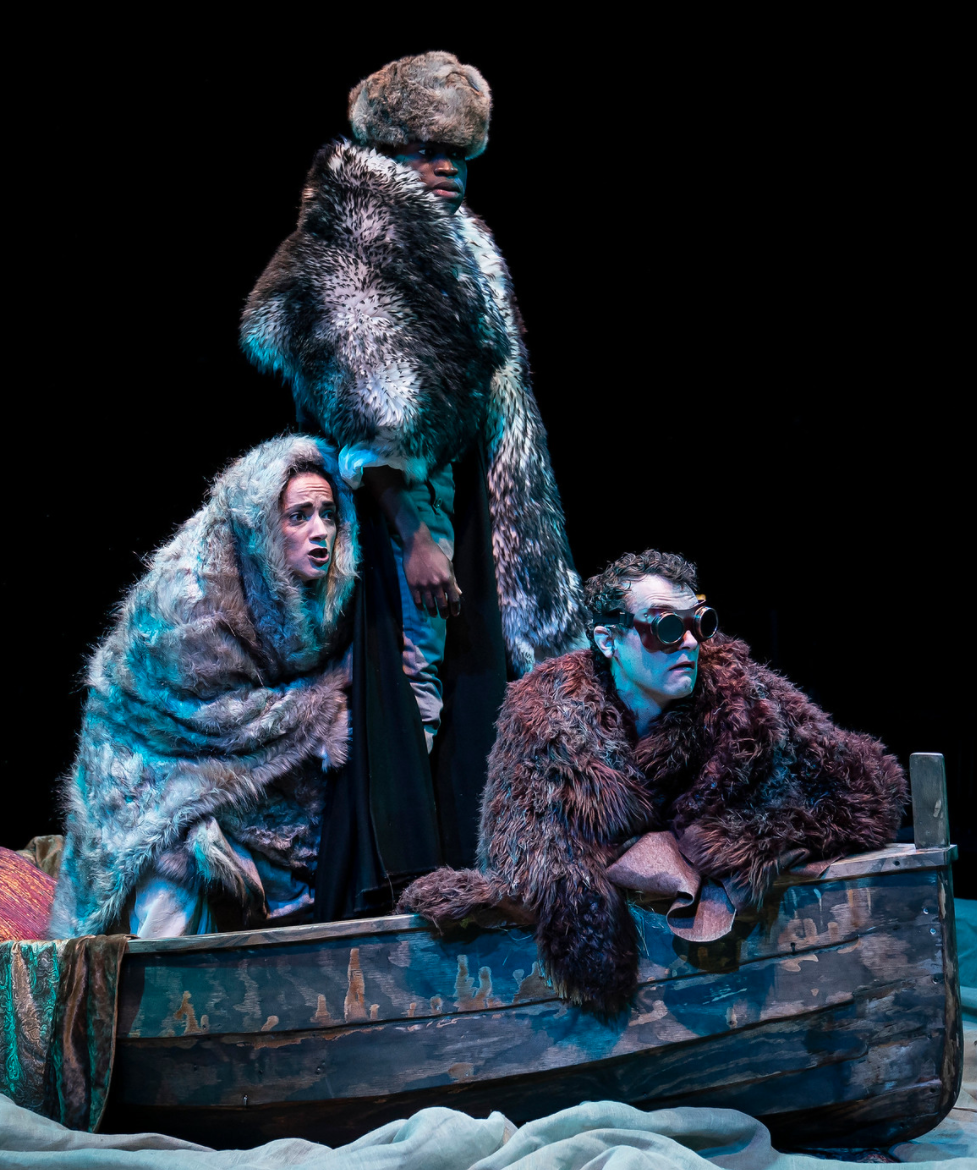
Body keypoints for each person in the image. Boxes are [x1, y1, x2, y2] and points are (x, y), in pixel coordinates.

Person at [240, 52, 586, 910]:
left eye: (458, 154)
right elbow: (356, 416)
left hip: (467, 497)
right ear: (387, 151)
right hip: (389, 511)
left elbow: (495, 392)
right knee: (406, 690)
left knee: (475, 685)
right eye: (427, 150)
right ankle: (401, 881)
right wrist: (415, 534)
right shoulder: (351, 242)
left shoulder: (467, 245)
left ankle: (480, 869)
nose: (446, 169)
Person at [399, 550, 908, 1012]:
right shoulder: (546, 721)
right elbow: (526, 853)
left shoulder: (741, 698)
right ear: (608, 640)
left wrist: (745, 837)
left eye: (698, 623)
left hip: (750, 983)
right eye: (665, 627)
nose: (688, 642)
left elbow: (870, 788)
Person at [47, 435, 357, 938]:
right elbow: (200, 716)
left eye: (328, 514)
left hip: (235, 775)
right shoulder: (191, 593)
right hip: (148, 768)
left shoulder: (326, 602)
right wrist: (321, 701)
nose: (319, 530)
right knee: (172, 866)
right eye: (299, 516)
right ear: (260, 526)